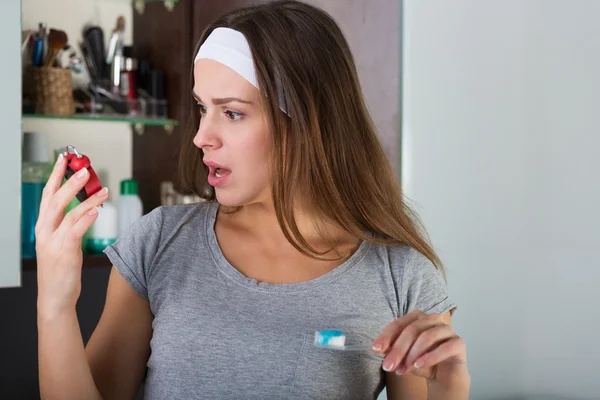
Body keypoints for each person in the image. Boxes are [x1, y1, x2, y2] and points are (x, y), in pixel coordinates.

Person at [35, 1, 469, 399]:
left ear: (305, 121)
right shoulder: (158, 243)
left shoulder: (401, 277)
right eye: (202, 108)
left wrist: (449, 384)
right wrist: (54, 304)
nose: (202, 136)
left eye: (233, 112)